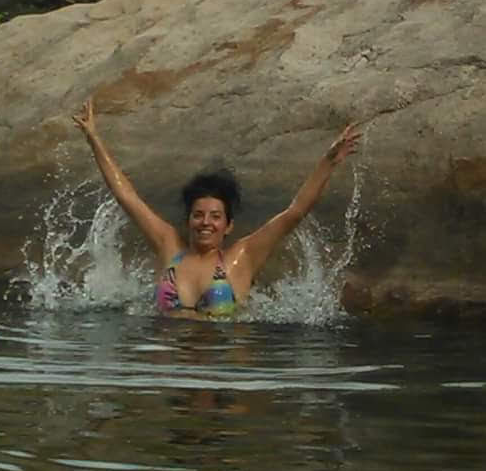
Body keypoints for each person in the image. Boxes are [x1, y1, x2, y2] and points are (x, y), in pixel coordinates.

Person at [73, 98, 360, 319]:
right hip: (171, 366)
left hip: (222, 365)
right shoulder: (169, 246)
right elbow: (128, 198)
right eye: (198, 215)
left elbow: (295, 212)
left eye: (215, 216)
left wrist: (328, 163)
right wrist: (94, 139)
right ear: (188, 220)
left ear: (228, 225)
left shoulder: (243, 256)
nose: (205, 223)